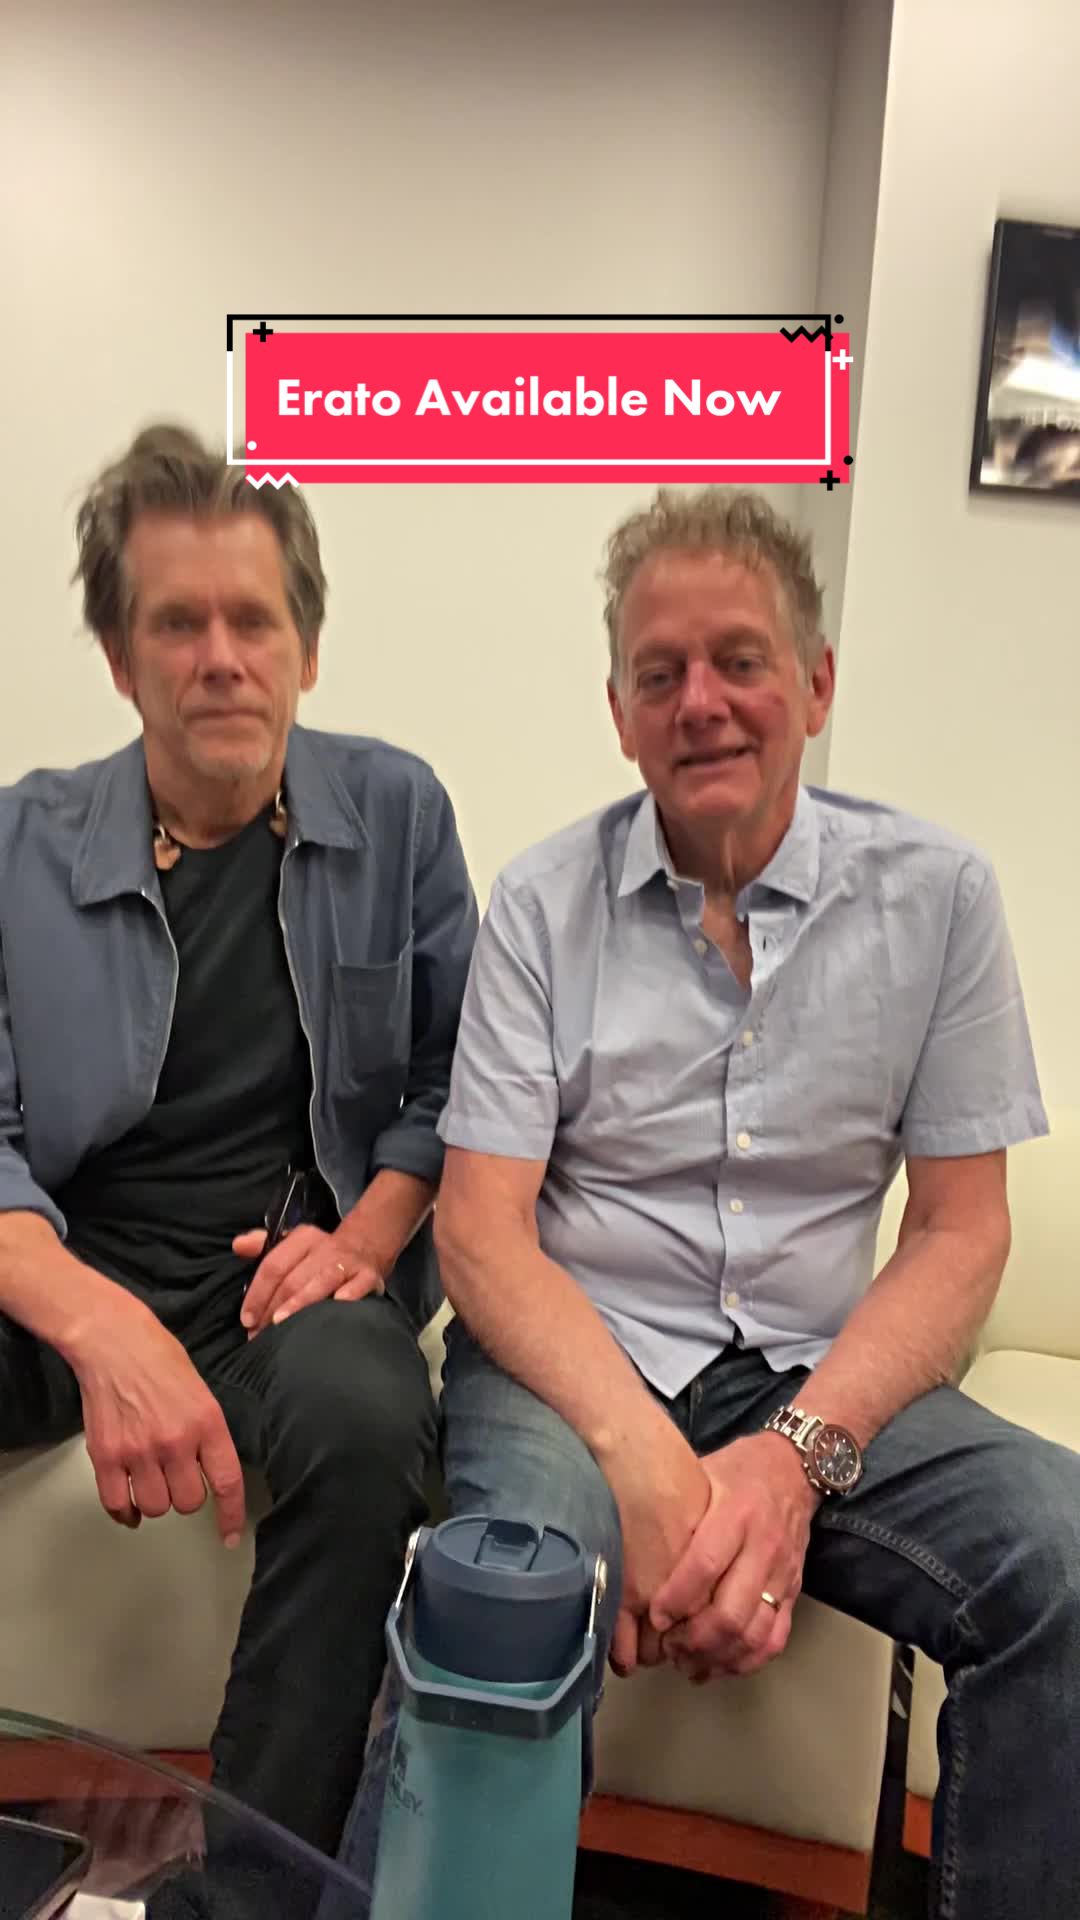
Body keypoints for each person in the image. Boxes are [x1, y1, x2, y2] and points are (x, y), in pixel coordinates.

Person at [423, 488, 1076, 1920]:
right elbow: (478, 1229)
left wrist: (791, 1465)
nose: (701, 702)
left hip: (815, 1372)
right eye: (660, 673)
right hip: (575, 1363)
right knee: (508, 1595)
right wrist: (644, 1466)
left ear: (817, 684)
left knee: (1065, 1559)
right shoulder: (540, 906)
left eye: (740, 660)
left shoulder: (942, 901)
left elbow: (961, 1231)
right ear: (619, 713)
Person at [0, 425, 477, 1858]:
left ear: (305, 648)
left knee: (371, 1422)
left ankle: (254, 1895)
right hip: (68, 1267)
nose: (221, 658)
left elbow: (459, 1080)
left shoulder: (396, 814)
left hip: (297, 1270)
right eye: (177, 623)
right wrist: (103, 1329)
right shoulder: (20, 846)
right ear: (118, 655)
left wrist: (368, 1239)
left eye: (252, 621)